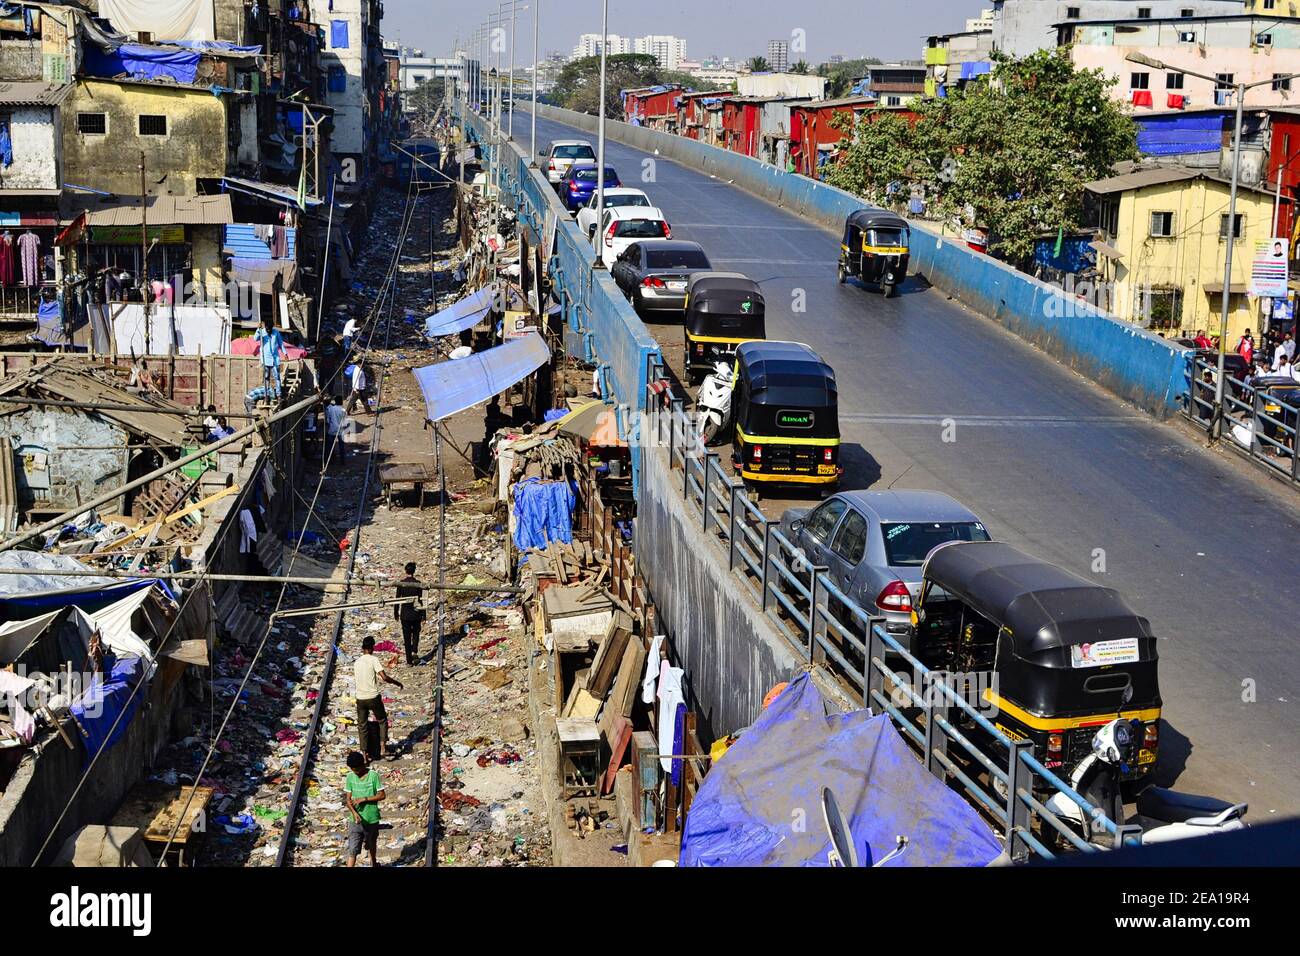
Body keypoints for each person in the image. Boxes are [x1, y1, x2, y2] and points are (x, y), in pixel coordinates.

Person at [354, 635, 402, 759]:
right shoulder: (373, 660)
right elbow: (384, 677)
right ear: (372, 648)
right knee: (382, 720)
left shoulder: (357, 662)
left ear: (362, 648)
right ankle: (382, 748)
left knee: (362, 725)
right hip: (373, 697)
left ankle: (364, 754)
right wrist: (397, 683)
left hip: (360, 698)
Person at [343, 751, 384, 868]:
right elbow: (348, 800)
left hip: (371, 818)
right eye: (352, 769)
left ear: (363, 765)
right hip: (355, 820)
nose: (355, 772)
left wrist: (365, 799)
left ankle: (374, 863)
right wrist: (354, 813)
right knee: (353, 848)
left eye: (356, 769)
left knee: (371, 843)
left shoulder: (373, 776)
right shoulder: (350, 777)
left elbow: (382, 795)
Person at [395, 562, 425, 666]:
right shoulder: (418, 583)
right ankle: (414, 650)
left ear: (405, 571)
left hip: (405, 615)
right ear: (414, 571)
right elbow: (422, 600)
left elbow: (397, 599)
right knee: (416, 633)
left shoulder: (401, 583)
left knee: (406, 637)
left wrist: (396, 613)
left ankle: (409, 661)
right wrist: (423, 614)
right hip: (416, 614)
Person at [254, 317, 285, 399]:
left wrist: (285, 353)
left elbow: (280, 343)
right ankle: (266, 394)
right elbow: (255, 339)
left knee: (277, 377)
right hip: (265, 359)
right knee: (266, 377)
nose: (268, 331)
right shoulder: (262, 331)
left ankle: (279, 394)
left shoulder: (276, 332)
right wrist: (258, 329)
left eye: (270, 329)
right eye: (267, 329)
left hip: (275, 359)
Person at [325, 395, 348, 465]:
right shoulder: (343, 411)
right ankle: (342, 461)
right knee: (341, 446)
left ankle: (329, 461)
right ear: (341, 402)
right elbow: (345, 423)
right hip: (340, 431)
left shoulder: (330, 409)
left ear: (335, 401)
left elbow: (328, 420)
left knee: (330, 446)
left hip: (332, 430)